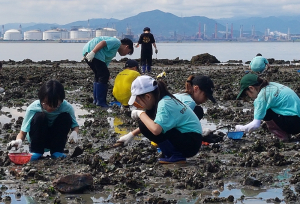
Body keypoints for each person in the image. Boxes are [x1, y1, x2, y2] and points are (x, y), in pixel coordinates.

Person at [117, 75, 203, 164]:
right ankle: (171, 154)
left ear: (148, 97)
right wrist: (131, 135)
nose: (139, 104)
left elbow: (156, 130)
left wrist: (140, 113)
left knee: (144, 124)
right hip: (191, 140)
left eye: (138, 101)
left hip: (191, 143)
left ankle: (176, 155)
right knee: (146, 123)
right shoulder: (164, 99)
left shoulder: (164, 103)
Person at [7, 80, 79, 161]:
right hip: (38, 137)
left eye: (55, 105)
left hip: (56, 138)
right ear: (41, 99)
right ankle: (36, 151)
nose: (49, 108)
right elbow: (22, 132)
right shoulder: (33, 108)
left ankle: (57, 151)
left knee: (65, 117)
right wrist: (18, 141)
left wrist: (74, 133)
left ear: (61, 100)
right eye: (46, 104)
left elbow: (75, 125)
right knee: (40, 116)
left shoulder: (67, 108)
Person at [235, 74, 300, 141]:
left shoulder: (262, 96)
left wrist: (240, 129)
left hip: (294, 124)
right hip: (297, 119)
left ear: (251, 88)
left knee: (266, 112)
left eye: (247, 94)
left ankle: (282, 136)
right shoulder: (273, 85)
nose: (249, 97)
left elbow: (255, 125)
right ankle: (286, 133)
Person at [83, 37, 134, 107]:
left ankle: (96, 100)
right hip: (93, 52)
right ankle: (101, 102)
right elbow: (103, 43)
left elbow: (104, 66)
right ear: (127, 46)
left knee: (99, 75)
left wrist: (109, 78)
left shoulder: (112, 52)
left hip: (87, 52)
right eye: (128, 52)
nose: (126, 54)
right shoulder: (117, 42)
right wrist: (93, 52)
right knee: (103, 76)